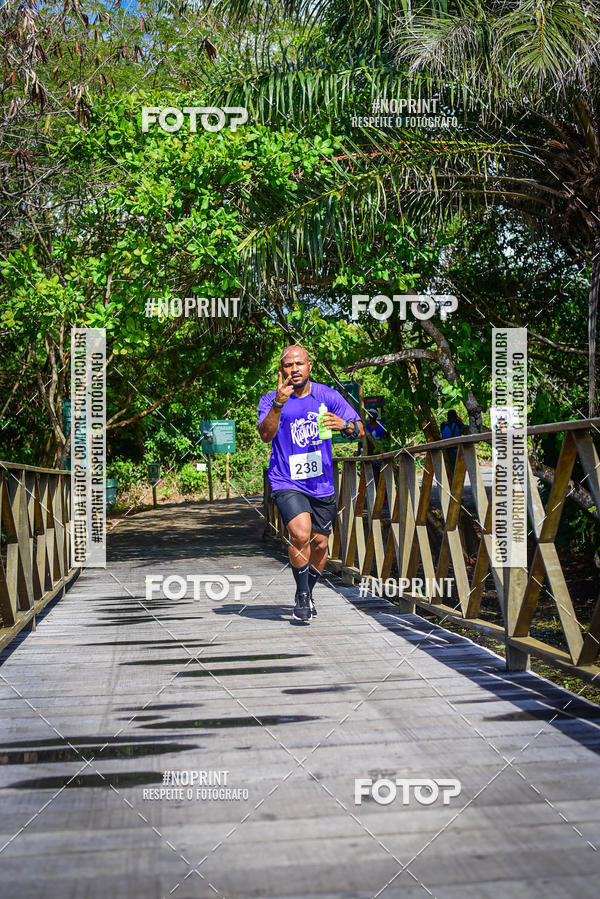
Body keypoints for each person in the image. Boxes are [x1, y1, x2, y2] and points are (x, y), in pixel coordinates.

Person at [258, 345, 364, 623]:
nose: (294, 369)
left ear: (309, 366)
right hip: (286, 479)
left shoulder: (327, 395)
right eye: (288, 365)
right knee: (301, 535)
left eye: (299, 364)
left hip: (321, 482)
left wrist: (346, 426)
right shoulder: (270, 399)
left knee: (319, 544)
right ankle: (303, 597)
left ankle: (305, 591)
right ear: (281, 370)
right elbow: (265, 436)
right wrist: (278, 404)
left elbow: (359, 428)